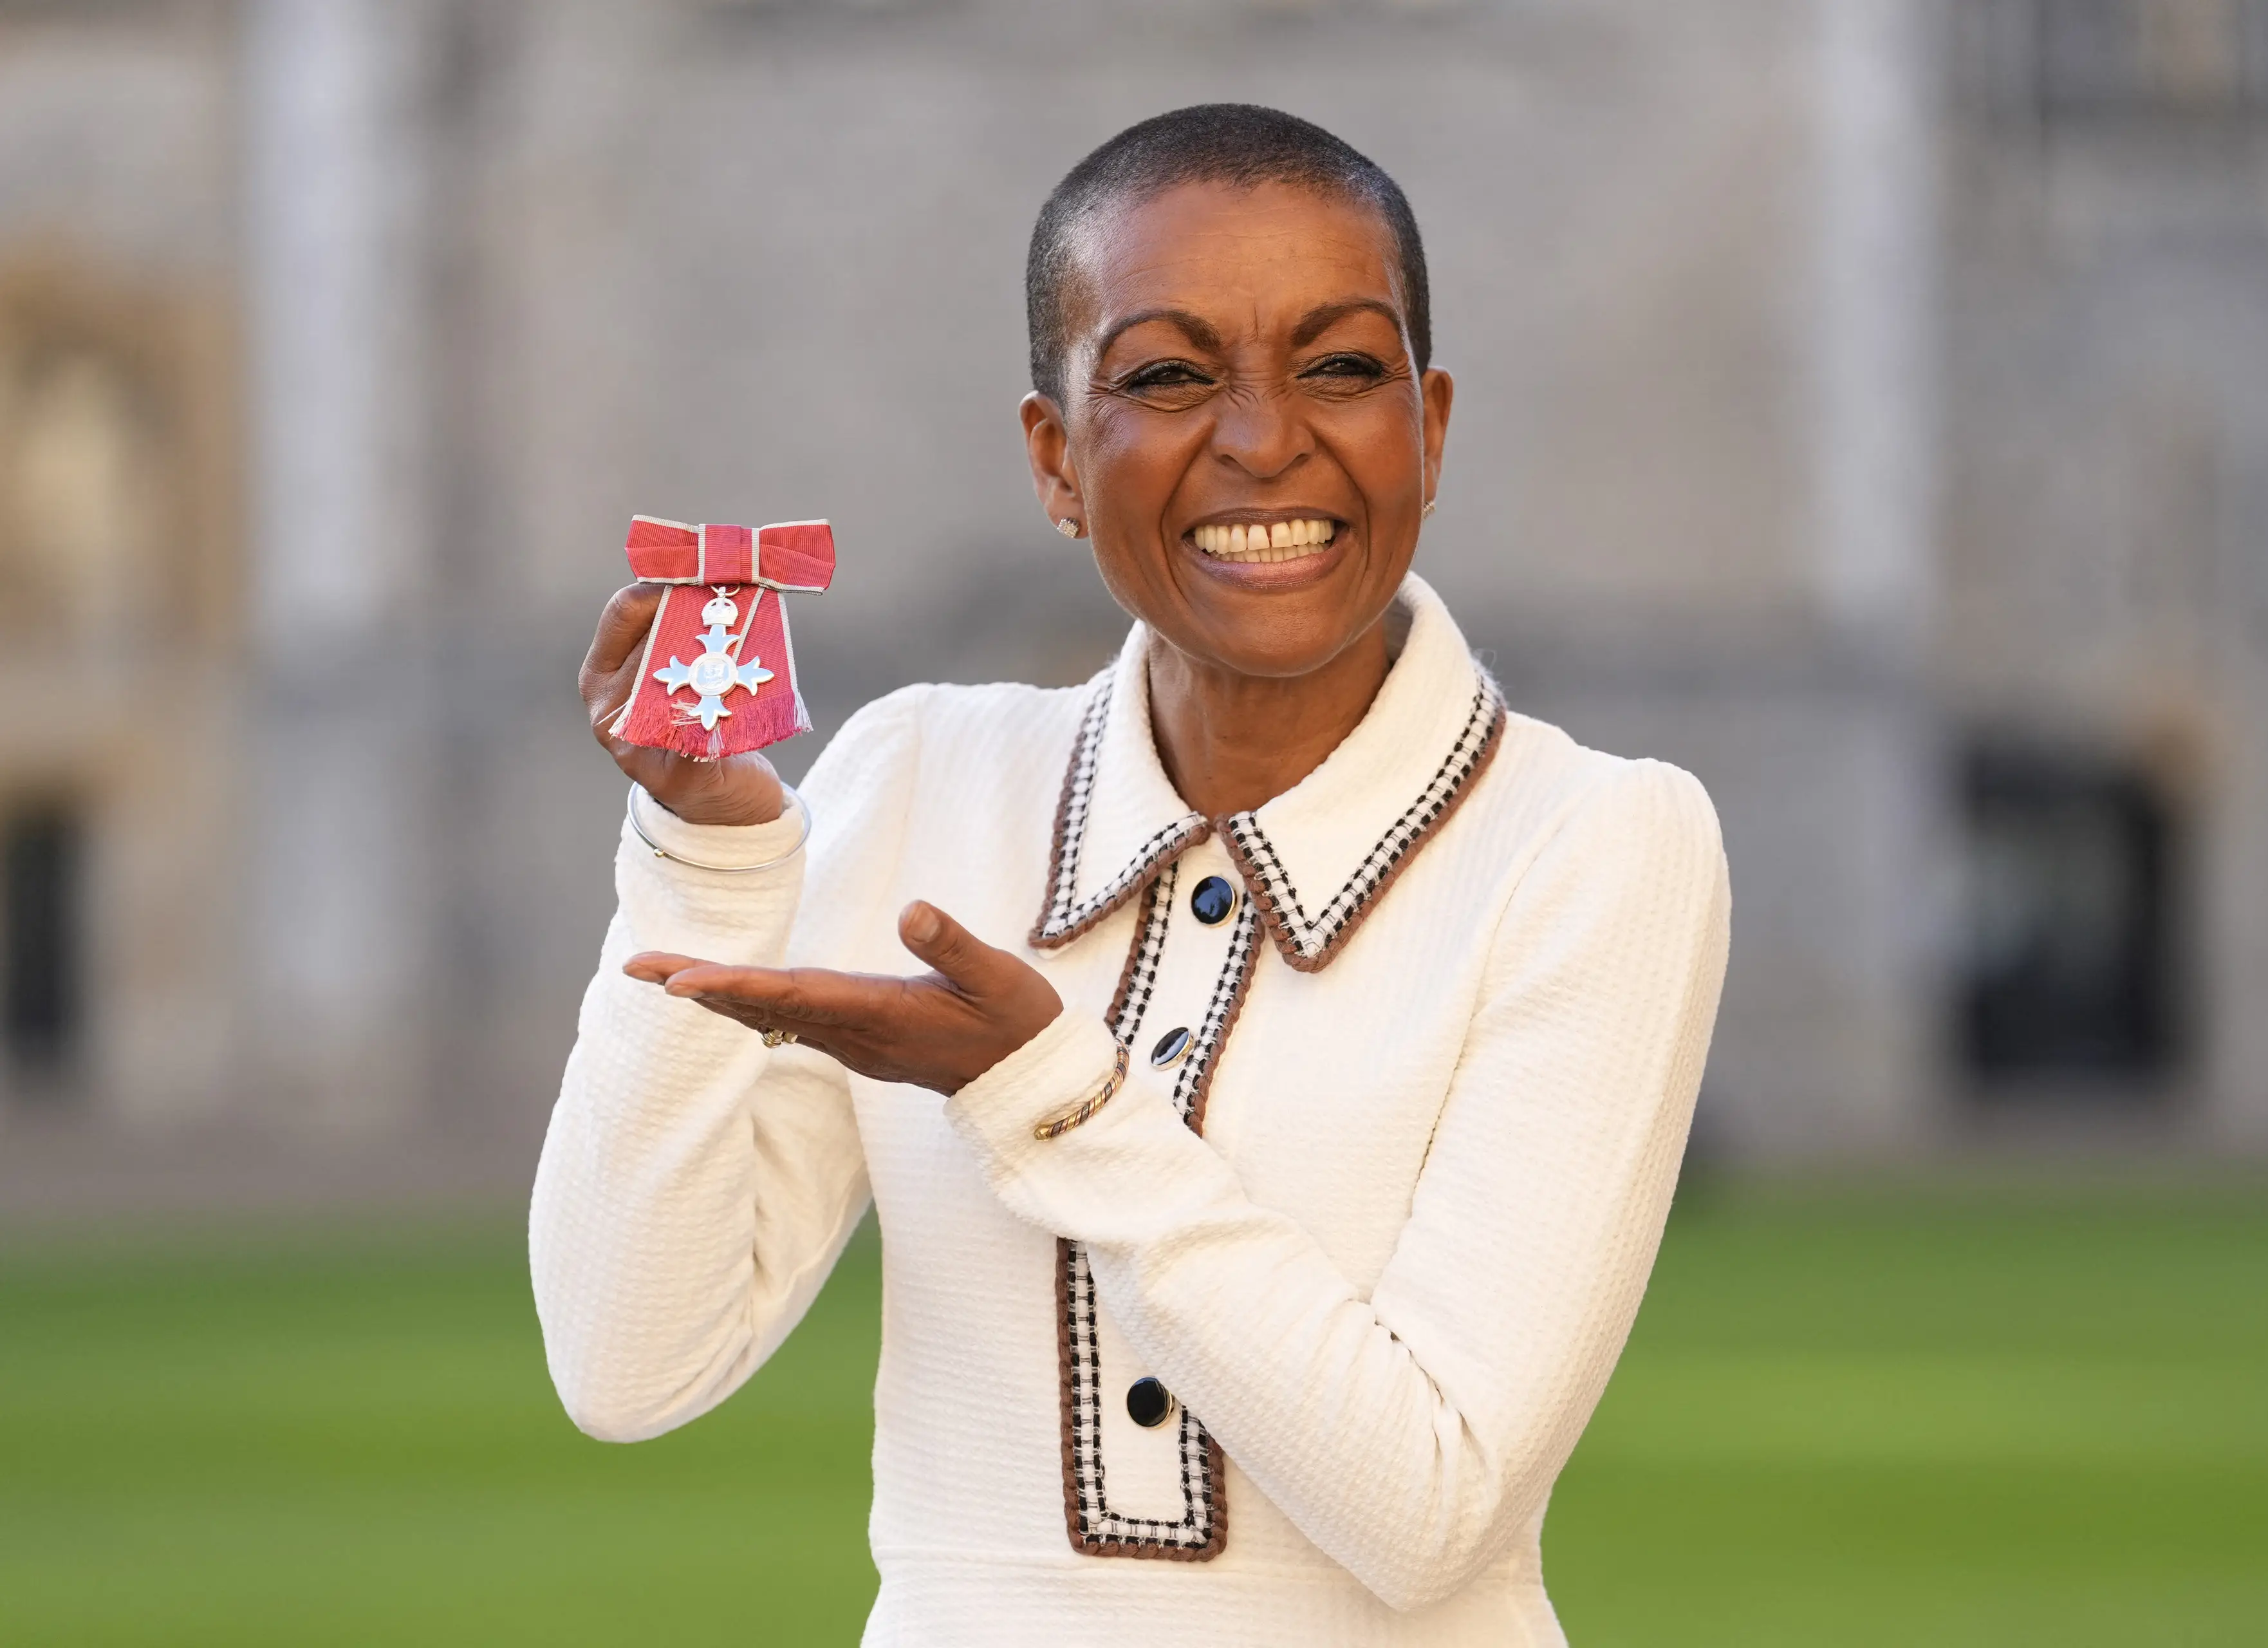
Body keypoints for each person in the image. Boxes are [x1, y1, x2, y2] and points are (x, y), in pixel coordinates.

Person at [532, 104, 1731, 1646]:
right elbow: (628, 1363)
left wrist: (1049, 1094)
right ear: (1054, 457)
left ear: (1429, 426)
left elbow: (1432, 1508)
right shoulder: (918, 775)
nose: (1264, 439)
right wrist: (705, 862)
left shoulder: (1593, 840)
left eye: (1340, 367)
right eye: (1168, 376)